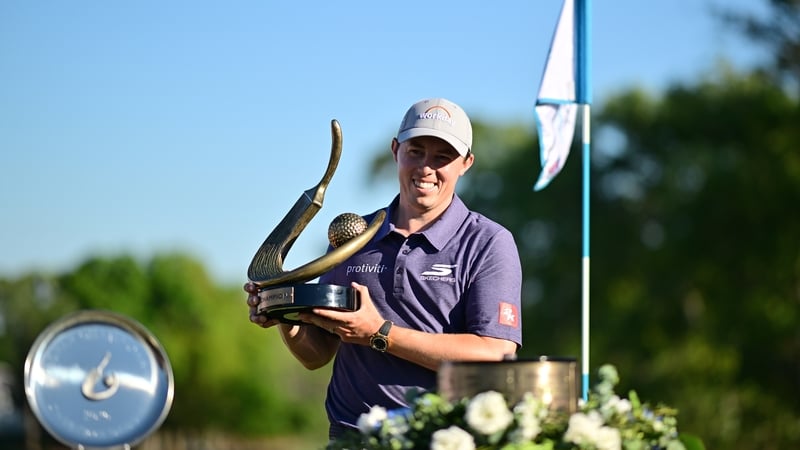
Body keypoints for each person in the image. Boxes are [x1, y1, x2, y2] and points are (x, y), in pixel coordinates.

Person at [245, 97, 523, 440]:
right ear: (396, 150)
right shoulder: (353, 238)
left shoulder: (487, 242)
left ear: (466, 163)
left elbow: (494, 354)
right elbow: (317, 354)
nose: (426, 167)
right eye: (416, 151)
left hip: (442, 439)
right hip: (352, 439)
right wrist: (282, 313)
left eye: (442, 157)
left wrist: (380, 333)